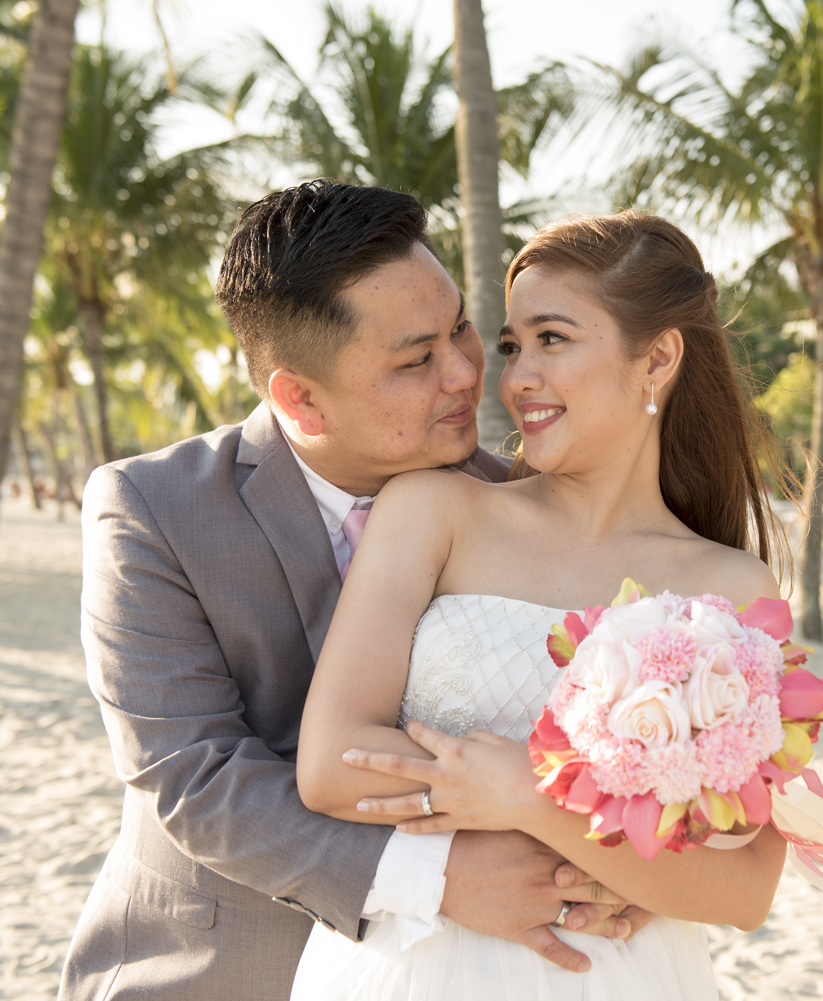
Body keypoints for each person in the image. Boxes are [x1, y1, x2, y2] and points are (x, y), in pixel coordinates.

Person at [59, 182, 638, 1001]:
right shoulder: (151, 509)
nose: (468, 372)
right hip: (217, 973)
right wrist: (435, 875)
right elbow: (194, 776)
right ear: (298, 396)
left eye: (462, 327)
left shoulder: (518, 497)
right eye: (415, 360)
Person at [290, 212, 793, 999]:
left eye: (552, 339)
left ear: (657, 357)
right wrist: (587, 827)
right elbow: (328, 764)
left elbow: (747, 886)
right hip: (417, 962)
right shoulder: (434, 511)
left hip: (619, 974)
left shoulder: (733, 592)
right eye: (513, 345)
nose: (517, 378)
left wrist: (531, 794)